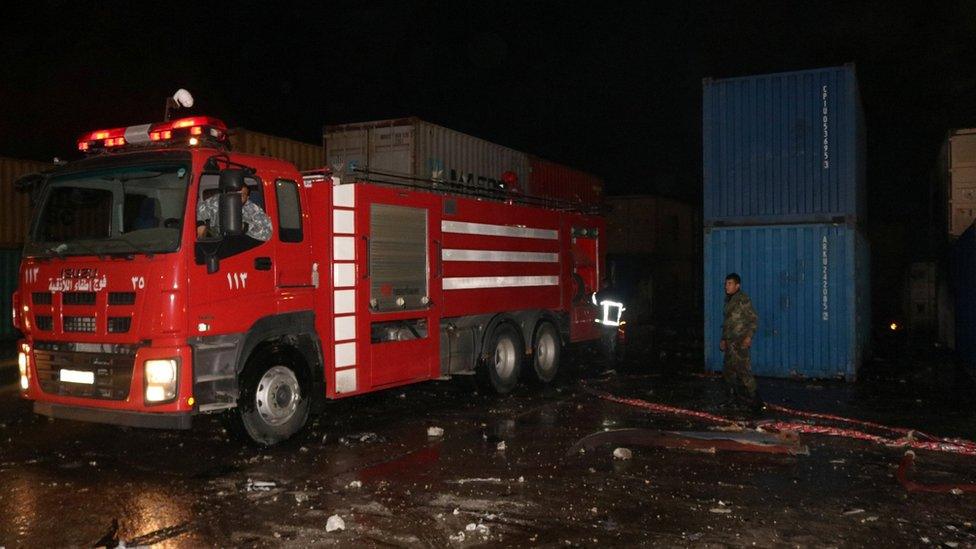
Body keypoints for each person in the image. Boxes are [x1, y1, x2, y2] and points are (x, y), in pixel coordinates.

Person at [719, 273, 763, 413]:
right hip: (730, 343)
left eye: (730, 283)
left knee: (744, 372)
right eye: (726, 283)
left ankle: (756, 402)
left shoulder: (742, 299)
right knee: (728, 373)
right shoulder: (729, 300)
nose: (727, 286)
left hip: (739, 343)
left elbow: (753, 319)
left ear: (737, 285)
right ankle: (732, 400)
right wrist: (723, 339)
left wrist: (748, 337)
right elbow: (728, 323)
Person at [196, 184, 272, 241]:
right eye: (235, 194)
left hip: (241, 244)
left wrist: (246, 227)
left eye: (242, 195)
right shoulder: (218, 200)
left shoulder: (253, 210)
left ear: (247, 198)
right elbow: (197, 211)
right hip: (216, 240)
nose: (237, 198)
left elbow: (268, 233)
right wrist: (200, 225)